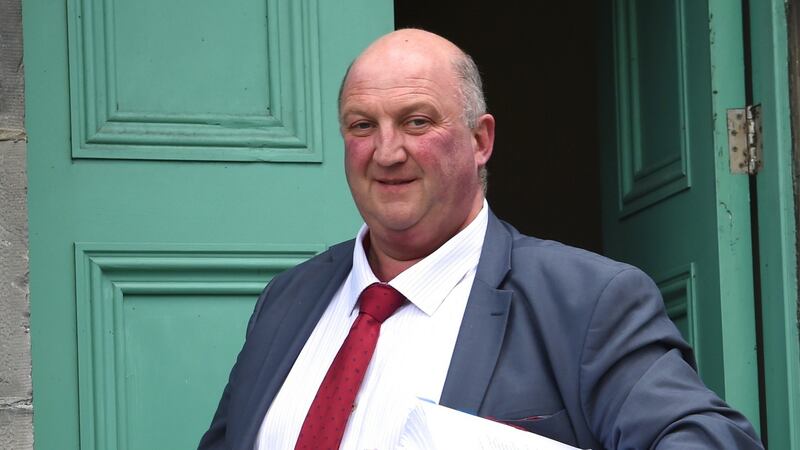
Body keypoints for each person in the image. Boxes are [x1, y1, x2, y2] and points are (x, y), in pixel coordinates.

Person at [199, 29, 764, 450]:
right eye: (362, 125)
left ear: (480, 141)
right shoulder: (287, 301)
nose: (387, 152)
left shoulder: (587, 300)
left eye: (417, 121)